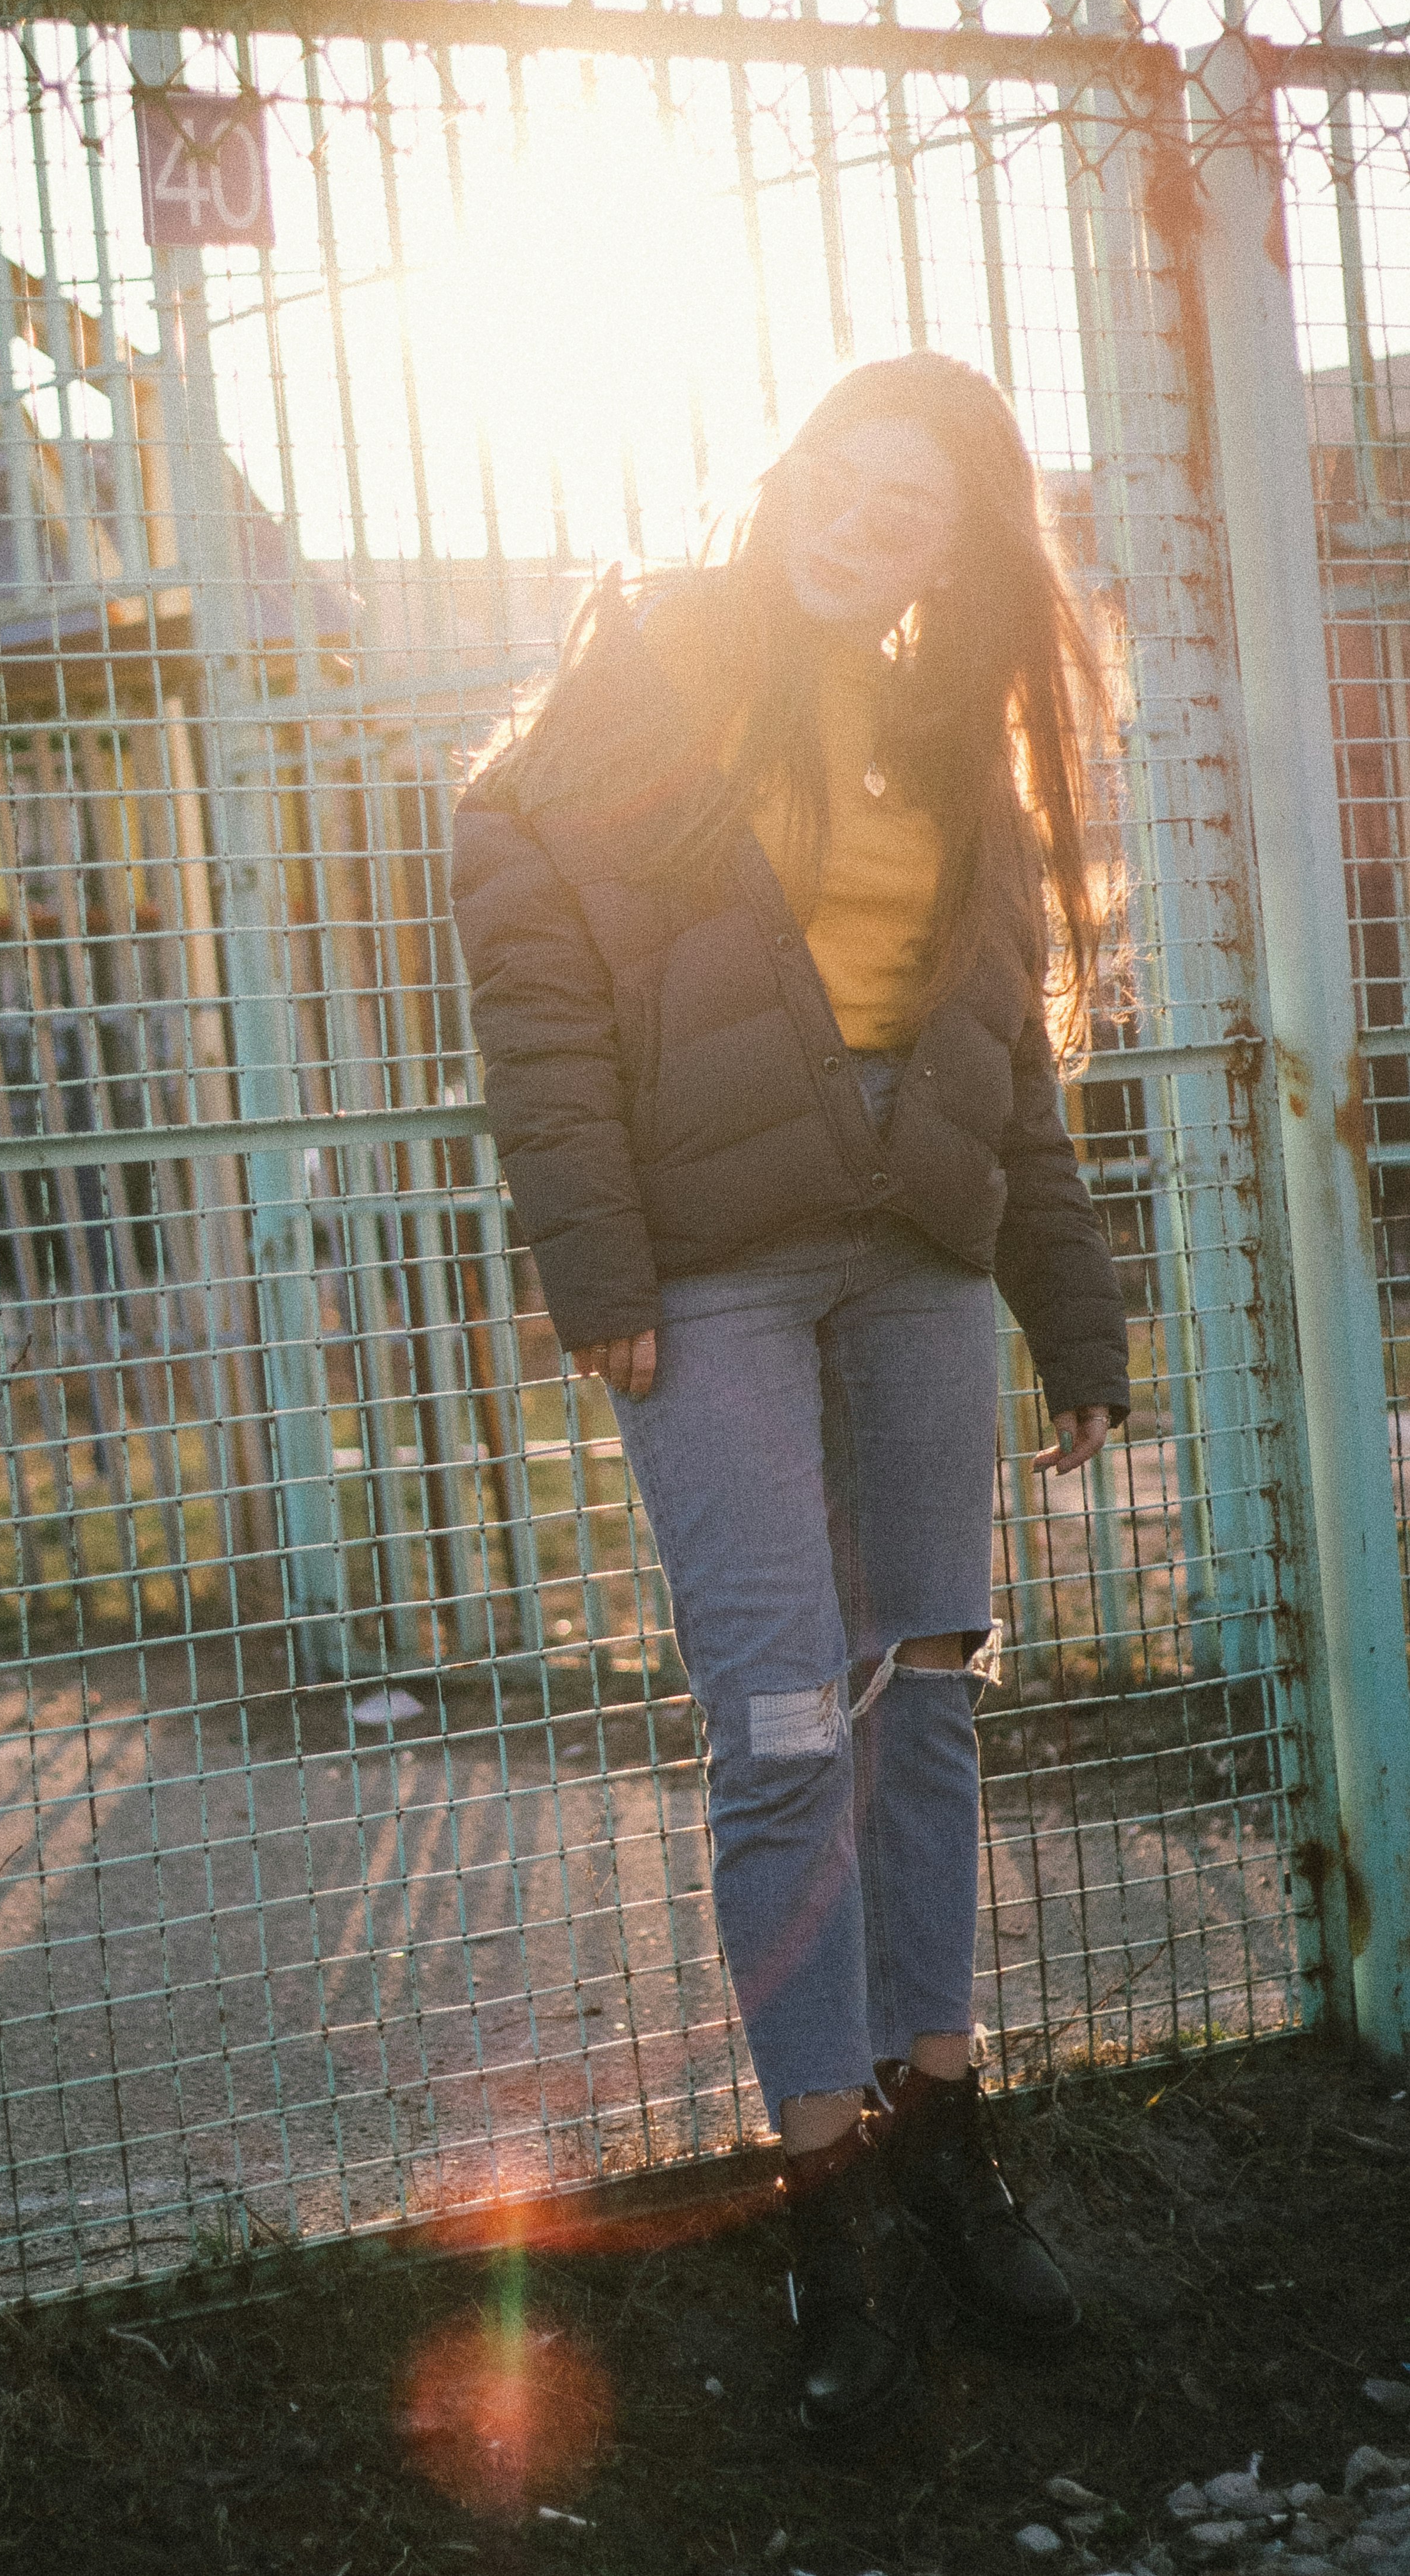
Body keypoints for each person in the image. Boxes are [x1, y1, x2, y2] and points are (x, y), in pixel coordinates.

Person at [450, 350, 1130, 2431]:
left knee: (929, 1690)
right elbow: (515, 897)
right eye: (852, 475)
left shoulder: (951, 737)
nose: (869, 521)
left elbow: (1003, 1056)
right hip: (713, 1279)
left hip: (917, 1263)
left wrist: (1074, 1315)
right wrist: (595, 1253)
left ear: (954, 549)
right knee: (776, 1722)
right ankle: (823, 2194)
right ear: (795, 473)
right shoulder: (661, 668)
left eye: (916, 507)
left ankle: (942, 2132)